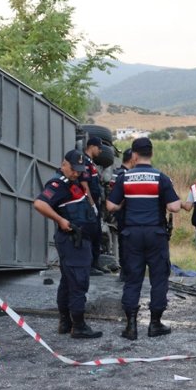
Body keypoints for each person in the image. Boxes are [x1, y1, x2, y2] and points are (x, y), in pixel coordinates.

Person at [106, 137, 181, 340]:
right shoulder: (161, 178)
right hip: (155, 234)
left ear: (135, 155)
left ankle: (131, 326)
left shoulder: (125, 178)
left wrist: (123, 204)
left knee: (132, 279)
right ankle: (155, 324)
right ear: (152, 154)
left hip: (131, 235)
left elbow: (111, 206)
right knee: (158, 278)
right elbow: (174, 207)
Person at [32, 150, 103, 338]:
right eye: (73, 169)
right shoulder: (58, 184)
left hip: (78, 241)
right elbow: (39, 204)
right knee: (79, 281)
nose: (76, 173)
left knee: (68, 281)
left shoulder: (73, 182)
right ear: (64, 164)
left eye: (79, 170)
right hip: (73, 242)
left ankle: (65, 323)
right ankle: (78, 326)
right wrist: (60, 220)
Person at [109, 148, 136, 281]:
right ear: (132, 159)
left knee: (124, 244)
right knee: (126, 245)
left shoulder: (117, 173)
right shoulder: (123, 175)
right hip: (124, 214)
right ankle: (126, 274)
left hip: (123, 215)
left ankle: (126, 273)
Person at [81, 136, 106, 275]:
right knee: (90, 234)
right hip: (89, 204)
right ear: (92, 146)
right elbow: (85, 184)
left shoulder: (91, 162)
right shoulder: (84, 161)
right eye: (99, 148)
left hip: (96, 202)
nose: (101, 151)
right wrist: (91, 204)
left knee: (97, 235)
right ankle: (89, 266)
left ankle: (95, 264)